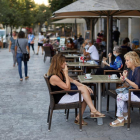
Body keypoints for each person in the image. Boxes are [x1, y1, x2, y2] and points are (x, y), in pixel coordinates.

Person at [47, 53, 105, 125]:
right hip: (60, 99)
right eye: (63, 62)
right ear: (58, 63)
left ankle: (83, 115)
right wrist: (66, 74)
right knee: (85, 95)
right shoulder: (54, 77)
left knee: (85, 93)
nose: (65, 63)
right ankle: (89, 113)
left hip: (64, 94)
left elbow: (73, 81)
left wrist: (85, 86)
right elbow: (67, 88)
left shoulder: (60, 72)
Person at [110, 51, 140, 127]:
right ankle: (126, 117)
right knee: (121, 94)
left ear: (133, 60)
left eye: (127, 60)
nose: (125, 62)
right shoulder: (132, 71)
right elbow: (128, 84)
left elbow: (136, 86)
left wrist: (126, 78)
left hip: (138, 94)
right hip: (134, 93)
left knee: (120, 97)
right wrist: (123, 79)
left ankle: (120, 119)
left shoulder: (138, 70)